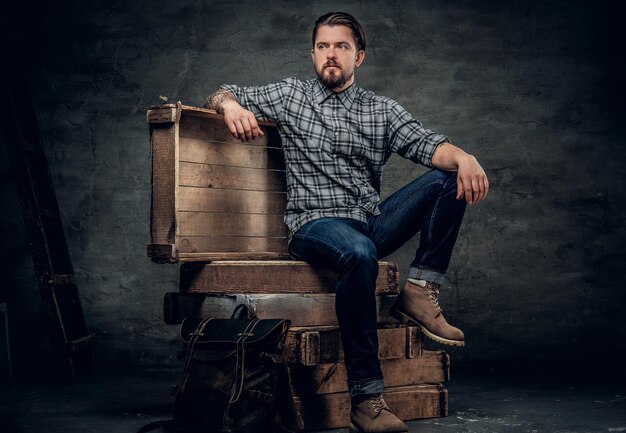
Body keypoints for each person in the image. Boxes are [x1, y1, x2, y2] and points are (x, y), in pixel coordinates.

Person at [205, 11, 488, 433]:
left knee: (448, 177)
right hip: (314, 225)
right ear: (313, 54)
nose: (330, 55)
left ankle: (420, 289)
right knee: (359, 254)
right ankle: (367, 399)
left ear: (359, 57)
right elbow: (222, 91)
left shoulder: (381, 110)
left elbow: (431, 146)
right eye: (323, 46)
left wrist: (465, 157)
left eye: (341, 46)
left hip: (369, 223)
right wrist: (229, 105)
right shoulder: (291, 95)